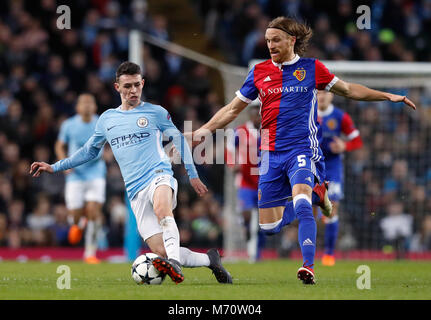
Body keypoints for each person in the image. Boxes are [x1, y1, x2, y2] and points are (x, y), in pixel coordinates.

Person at [191, 16, 416, 284]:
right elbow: (231, 110)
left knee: (299, 202)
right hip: (270, 155)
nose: (270, 45)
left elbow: (348, 90)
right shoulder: (259, 72)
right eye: (267, 40)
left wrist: (387, 95)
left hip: (302, 150)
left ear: (292, 40)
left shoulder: (312, 68)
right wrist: (201, 132)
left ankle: (308, 266)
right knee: (269, 227)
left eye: (276, 40)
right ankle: (317, 196)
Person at [30, 61, 233, 285]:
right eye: (127, 86)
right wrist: (55, 166)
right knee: (161, 250)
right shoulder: (107, 119)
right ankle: (210, 260)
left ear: (143, 84)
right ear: (117, 87)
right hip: (135, 190)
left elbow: (179, 140)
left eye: (137, 85)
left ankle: (174, 263)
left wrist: (193, 174)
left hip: (159, 174)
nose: (133, 90)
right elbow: (88, 151)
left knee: (162, 208)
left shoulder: (156, 112)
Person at [55, 93, 106, 264]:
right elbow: (59, 145)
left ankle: (90, 253)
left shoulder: (102, 122)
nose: (86, 106)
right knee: (75, 214)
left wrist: (110, 154)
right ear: (77, 107)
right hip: (75, 174)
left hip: (96, 172)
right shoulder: (69, 125)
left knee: (94, 210)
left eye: (90, 103)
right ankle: (77, 223)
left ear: (95, 107)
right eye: (83, 103)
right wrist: (64, 163)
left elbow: (113, 142)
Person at [315, 90, 363, 266]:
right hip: (311, 165)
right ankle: (308, 251)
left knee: (332, 209)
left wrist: (345, 146)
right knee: (309, 210)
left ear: (332, 96)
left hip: (332, 168)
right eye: (319, 92)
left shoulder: (341, 117)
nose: (322, 96)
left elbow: (357, 141)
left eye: (326, 93)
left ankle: (328, 254)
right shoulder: (306, 113)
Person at [226, 104, 266, 262]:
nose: (257, 117)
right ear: (250, 116)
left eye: (260, 115)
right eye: (255, 114)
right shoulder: (240, 131)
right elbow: (229, 148)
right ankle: (246, 228)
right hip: (245, 181)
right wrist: (232, 164)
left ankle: (257, 254)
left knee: (265, 223)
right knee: (246, 214)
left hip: (264, 181)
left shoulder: (268, 131)